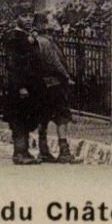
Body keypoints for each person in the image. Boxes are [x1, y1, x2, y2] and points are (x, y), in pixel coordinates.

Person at [30, 12, 79, 164]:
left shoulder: (35, 40)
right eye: (51, 20)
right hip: (53, 84)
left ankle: (43, 151)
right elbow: (54, 63)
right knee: (62, 118)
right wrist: (66, 77)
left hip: (41, 84)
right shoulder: (45, 42)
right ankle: (64, 152)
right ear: (44, 25)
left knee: (43, 118)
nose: (55, 22)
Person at [1, 12, 43, 165]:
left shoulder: (27, 36)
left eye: (30, 16)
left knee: (27, 118)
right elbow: (13, 64)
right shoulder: (14, 37)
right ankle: (19, 153)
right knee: (19, 120)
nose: (28, 19)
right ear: (16, 18)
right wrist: (21, 86)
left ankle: (25, 151)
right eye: (24, 16)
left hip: (30, 85)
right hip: (19, 86)